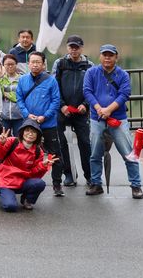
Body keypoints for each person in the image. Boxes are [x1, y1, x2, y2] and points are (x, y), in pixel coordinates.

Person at [82, 43, 143, 198]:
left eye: (111, 55)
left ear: (116, 57)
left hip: (118, 119)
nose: (107, 58)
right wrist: (98, 108)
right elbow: (87, 91)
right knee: (95, 154)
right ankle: (96, 184)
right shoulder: (91, 72)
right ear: (100, 56)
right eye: (104, 55)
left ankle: (136, 185)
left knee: (128, 153)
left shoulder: (123, 75)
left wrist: (108, 110)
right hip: (97, 118)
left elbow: (124, 94)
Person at [16, 51, 63, 196]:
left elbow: (56, 101)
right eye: (32, 62)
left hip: (47, 123)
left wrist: (45, 116)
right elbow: (19, 99)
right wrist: (27, 115)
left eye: (38, 62)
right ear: (28, 63)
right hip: (29, 124)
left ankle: (57, 184)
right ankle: (24, 181)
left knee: (55, 154)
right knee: (25, 153)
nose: (35, 64)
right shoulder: (23, 80)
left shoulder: (51, 80)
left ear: (43, 64)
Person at [53, 34, 93, 189]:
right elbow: (54, 86)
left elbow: (92, 88)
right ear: (67, 48)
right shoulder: (60, 63)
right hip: (63, 110)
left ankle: (89, 176)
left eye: (77, 47)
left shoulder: (89, 65)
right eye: (71, 47)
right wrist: (62, 105)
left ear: (81, 48)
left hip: (81, 111)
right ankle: (68, 174)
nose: (74, 50)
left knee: (85, 143)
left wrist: (86, 104)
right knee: (62, 143)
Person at [0, 120, 55, 212]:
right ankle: (2, 191)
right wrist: (0, 143)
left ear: (38, 135)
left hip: (22, 181)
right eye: (27, 130)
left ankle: (27, 200)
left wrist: (42, 166)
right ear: (22, 132)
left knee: (40, 183)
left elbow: (34, 175)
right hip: (6, 181)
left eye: (33, 132)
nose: (30, 134)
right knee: (10, 207)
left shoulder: (38, 151)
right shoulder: (11, 141)